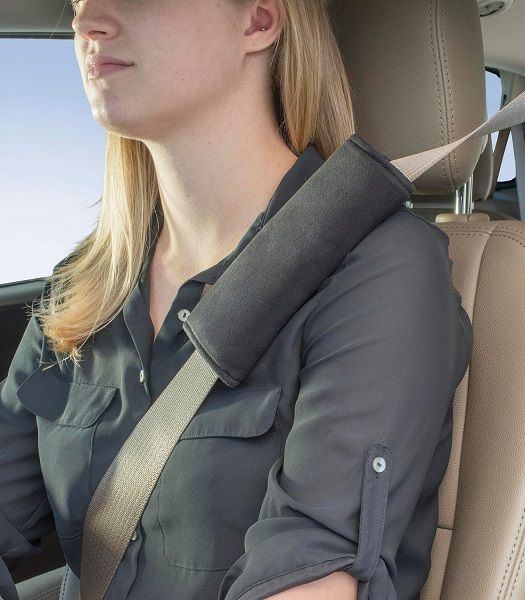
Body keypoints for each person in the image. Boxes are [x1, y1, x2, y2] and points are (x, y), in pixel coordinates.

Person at [0, 0, 473, 598]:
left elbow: (309, 582)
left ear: (258, 21)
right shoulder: (85, 286)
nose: (86, 20)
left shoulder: (380, 270)